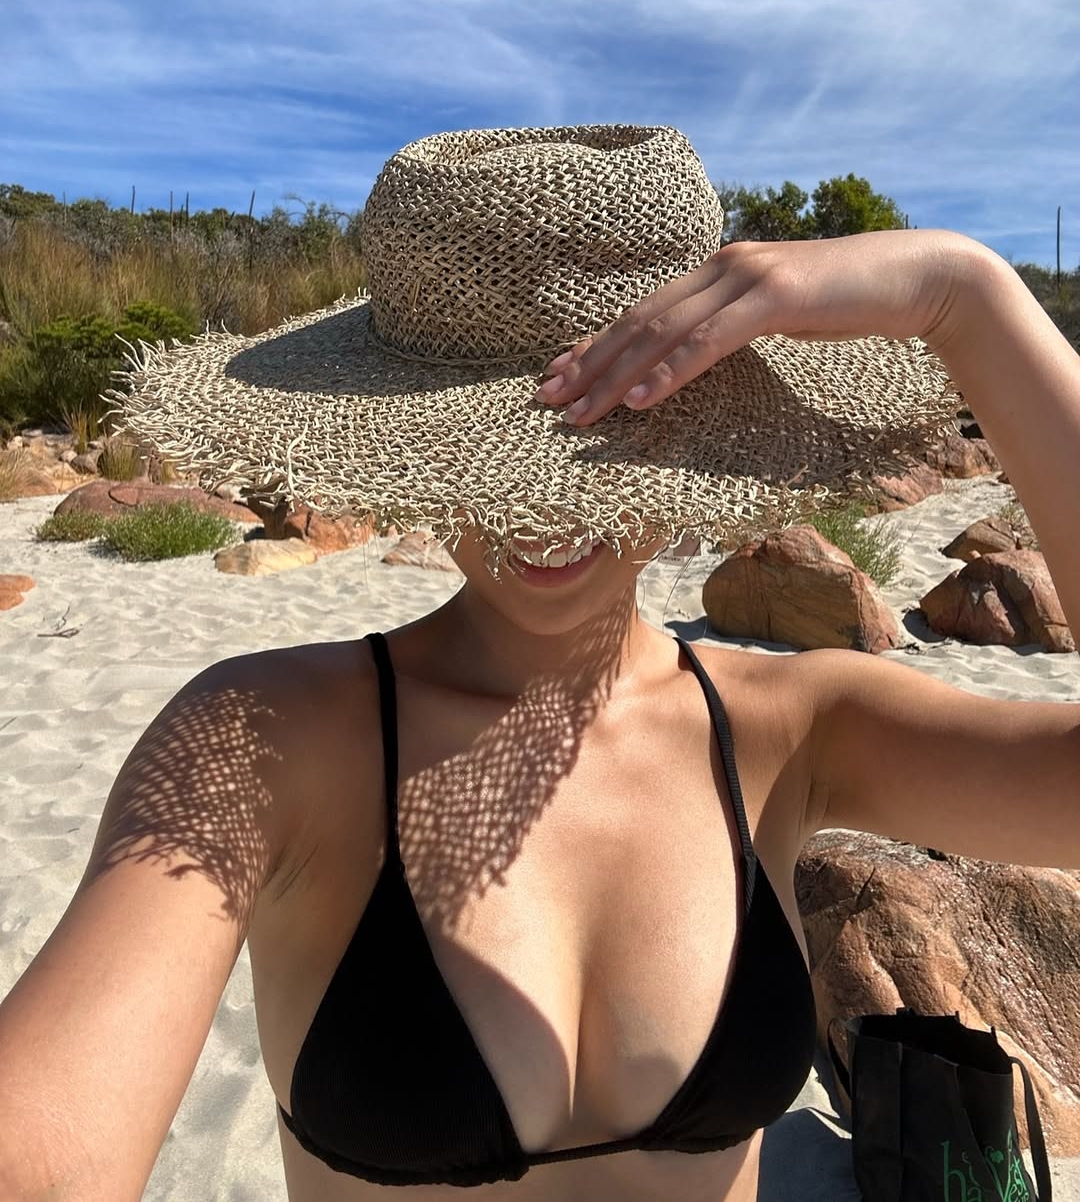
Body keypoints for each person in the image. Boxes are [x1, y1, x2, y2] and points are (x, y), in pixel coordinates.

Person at [1, 124, 1077, 1202]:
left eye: (611, 440)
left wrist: (968, 296)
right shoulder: (264, 740)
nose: (547, 509)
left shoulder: (793, 727)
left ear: (700, 437)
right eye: (497, 453)